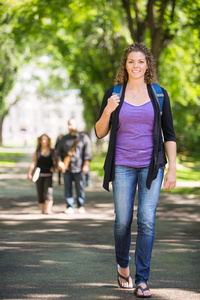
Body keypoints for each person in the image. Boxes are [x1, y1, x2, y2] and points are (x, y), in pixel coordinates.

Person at [95, 43, 176, 298]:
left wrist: (172, 168)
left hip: (152, 166)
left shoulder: (159, 94)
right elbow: (99, 132)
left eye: (141, 61)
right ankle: (122, 266)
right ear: (125, 65)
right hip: (122, 164)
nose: (136, 66)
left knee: (147, 222)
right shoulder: (114, 93)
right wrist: (108, 109)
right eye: (131, 61)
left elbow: (169, 134)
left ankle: (142, 280)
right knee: (122, 222)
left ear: (148, 65)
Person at [56, 118, 91, 214]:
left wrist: (85, 165)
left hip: (79, 167)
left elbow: (87, 153)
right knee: (67, 187)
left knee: (80, 187)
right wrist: (60, 162)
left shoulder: (83, 137)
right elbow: (58, 152)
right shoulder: (64, 139)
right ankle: (70, 206)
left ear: (76, 125)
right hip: (67, 167)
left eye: (71, 124)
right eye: (68, 124)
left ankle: (81, 205)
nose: (70, 126)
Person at [27, 134, 55, 215]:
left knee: (49, 192)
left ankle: (48, 210)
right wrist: (30, 173)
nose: (44, 141)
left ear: (48, 141)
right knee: (40, 192)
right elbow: (33, 162)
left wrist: (54, 167)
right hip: (39, 175)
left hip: (48, 175)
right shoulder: (38, 151)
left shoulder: (52, 151)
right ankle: (42, 210)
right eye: (42, 139)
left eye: (45, 139)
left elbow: (55, 162)